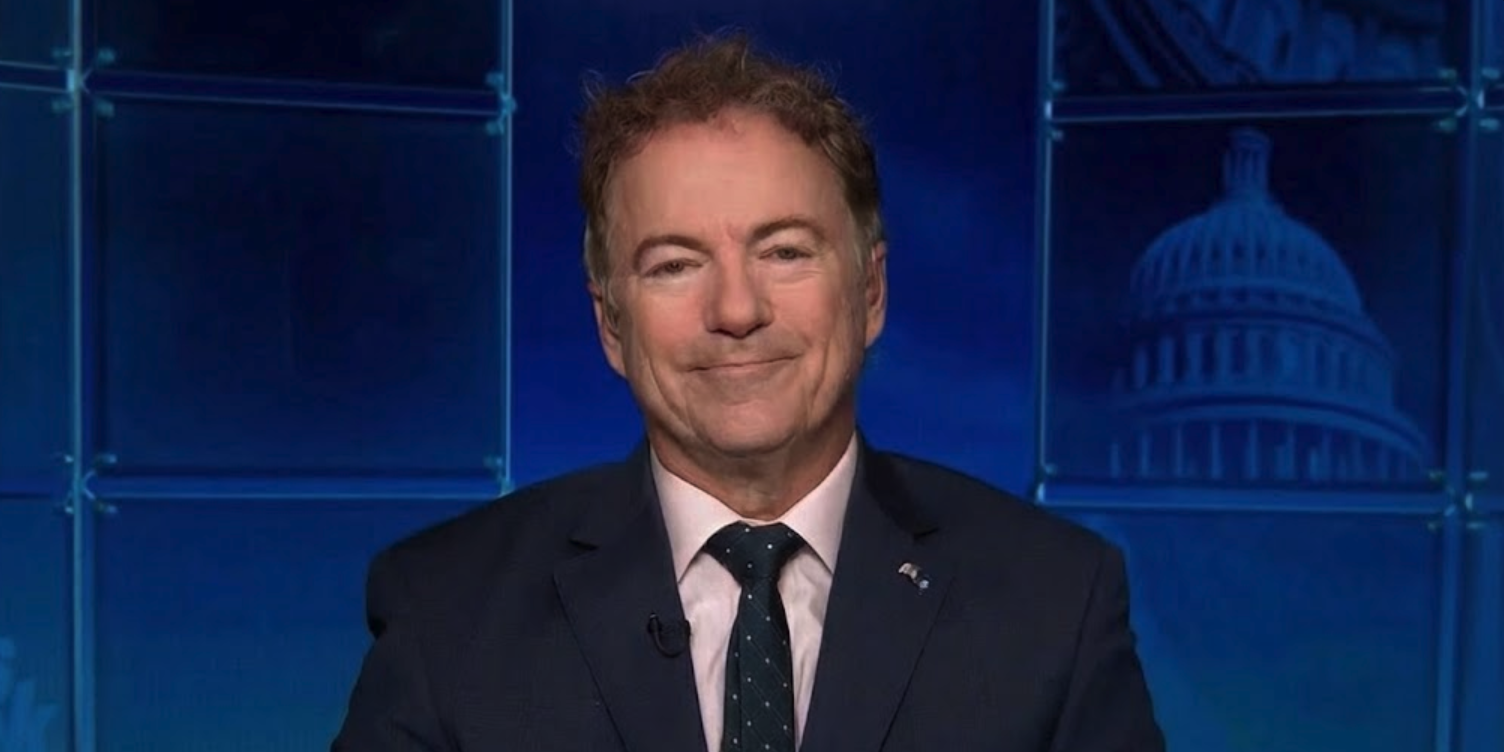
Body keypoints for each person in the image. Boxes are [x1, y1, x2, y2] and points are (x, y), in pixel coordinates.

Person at [333, 32, 1164, 752]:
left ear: (871, 292)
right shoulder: (447, 609)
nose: (736, 310)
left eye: (785, 252)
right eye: (675, 265)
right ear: (611, 324)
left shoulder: (1057, 602)